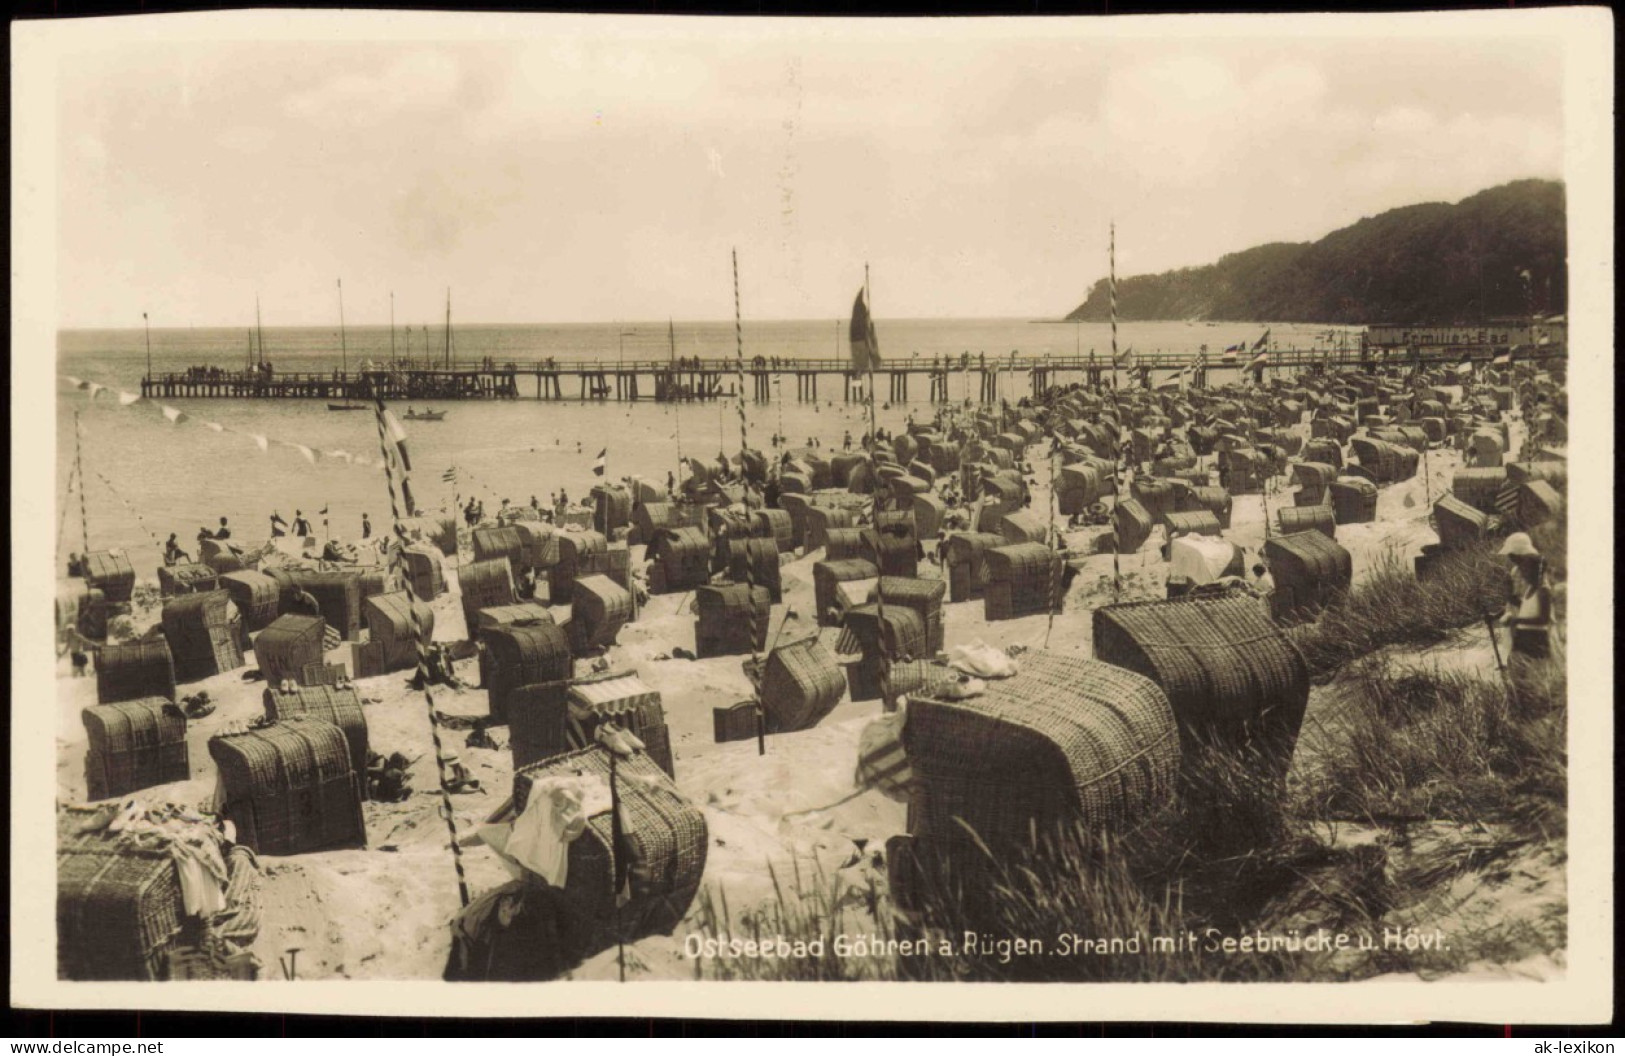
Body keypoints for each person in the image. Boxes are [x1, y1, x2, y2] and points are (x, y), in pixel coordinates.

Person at [1498, 532, 1553, 663]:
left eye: (1511, 554)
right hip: (1520, 618)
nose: (1509, 558)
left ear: (1519, 554)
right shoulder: (1517, 571)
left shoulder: (1536, 572)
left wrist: (1514, 613)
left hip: (1527, 622)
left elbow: (1534, 606)